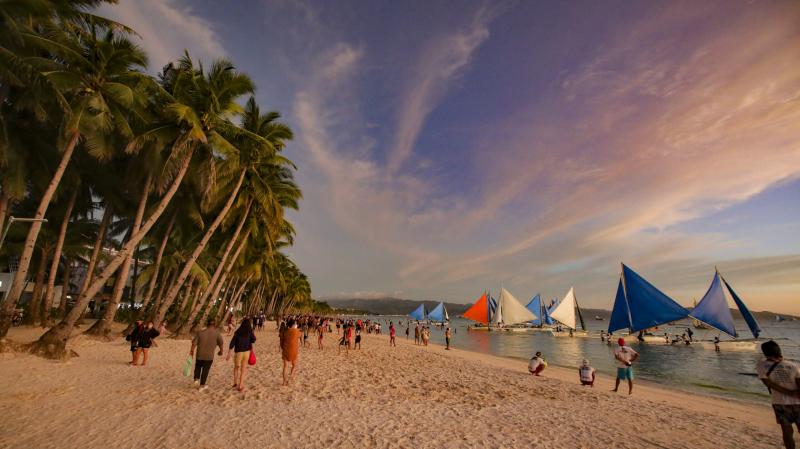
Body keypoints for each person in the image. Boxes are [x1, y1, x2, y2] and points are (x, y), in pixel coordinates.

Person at [758, 340, 800, 449]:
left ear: (765, 353)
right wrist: (791, 392)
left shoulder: (762, 365)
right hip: (797, 403)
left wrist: (787, 392)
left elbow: (768, 383)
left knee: (787, 431)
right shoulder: (793, 366)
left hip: (779, 403)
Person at [189, 319, 224, 391]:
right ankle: (202, 386)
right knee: (205, 370)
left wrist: (191, 352)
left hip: (199, 354)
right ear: (214, 325)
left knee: (198, 366)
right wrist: (221, 351)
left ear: (207, 325)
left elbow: (193, 344)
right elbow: (221, 343)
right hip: (209, 356)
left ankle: (196, 379)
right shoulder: (217, 333)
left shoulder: (200, 333)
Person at [226, 318, 256, 392]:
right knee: (243, 369)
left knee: (236, 367)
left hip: (238, 352)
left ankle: (235, 383)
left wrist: (229, 353)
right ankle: (241, 385)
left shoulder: (237, 332)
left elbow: (232, 342)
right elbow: (254, 339)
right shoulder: (249, 331)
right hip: (246, 352)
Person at [280, 319, 302, 386]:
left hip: (285, 349)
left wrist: (283, 348)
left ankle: (284, 382)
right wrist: (296, 328)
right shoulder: (296, 331)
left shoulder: (285, 331)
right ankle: (290, 379)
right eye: (295, 324)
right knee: (294, 365)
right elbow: (300, 335)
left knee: (285, 366)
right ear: (293, 325)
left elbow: (281, 341)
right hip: (294, 350)